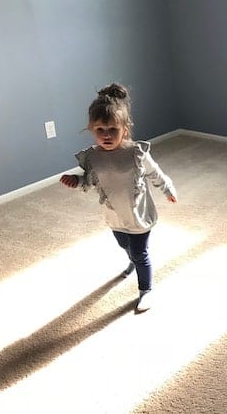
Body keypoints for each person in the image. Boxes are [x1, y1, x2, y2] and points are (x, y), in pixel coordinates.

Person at [60, 83, 177, 312]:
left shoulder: (135, 153)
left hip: (137, 213)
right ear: (91, 129)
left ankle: (146, 289)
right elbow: (90, 180)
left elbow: (155, 173)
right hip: (114, 214)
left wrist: (167, 189)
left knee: (140, 252)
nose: (106, 135)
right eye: (100, 130)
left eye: (112, 129)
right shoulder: (93, 157)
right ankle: (132, 259)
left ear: (125, 128)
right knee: (123, 244)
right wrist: (76, 181)